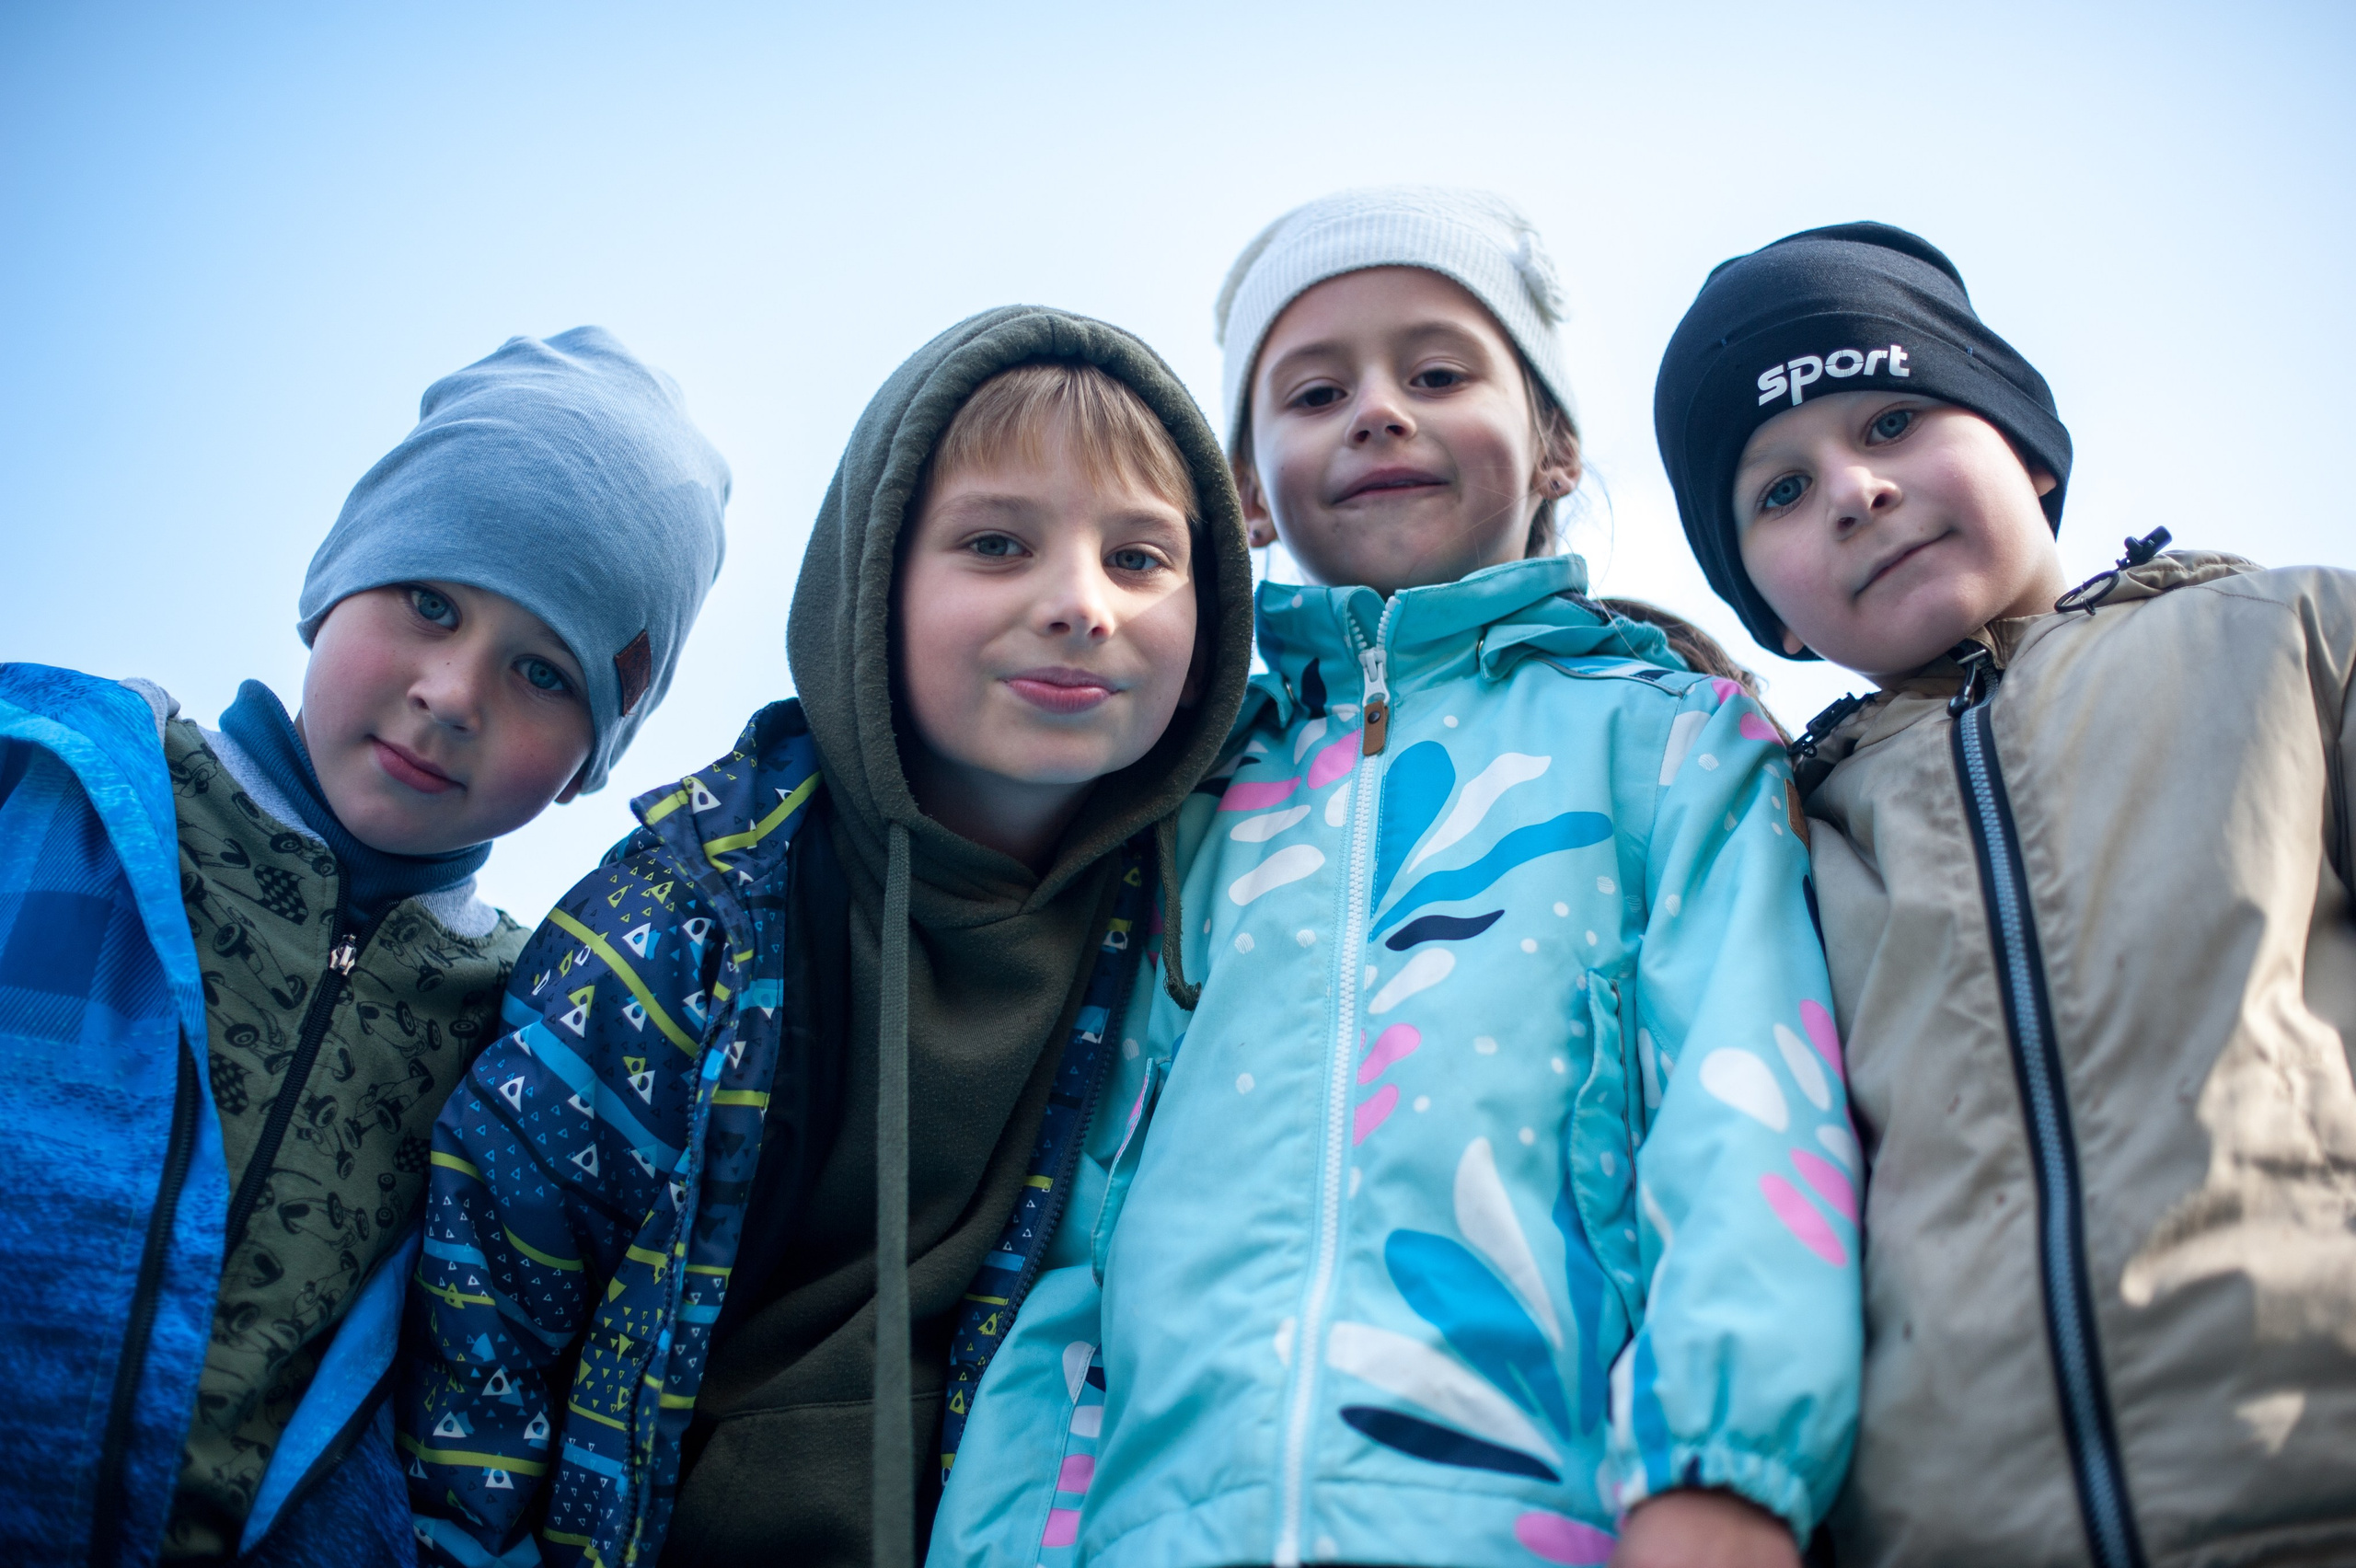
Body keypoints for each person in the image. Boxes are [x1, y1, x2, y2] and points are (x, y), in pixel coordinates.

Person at [930, 189, 1859, 1568]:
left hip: (1546, 1529)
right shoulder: (1181, 801)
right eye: (1316, 393)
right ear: (1248, 491)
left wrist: (1723, 1473)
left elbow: (1750, 1111)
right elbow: (1072, 1232)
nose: (1377, 411)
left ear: (1551, 442)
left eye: (1436, 374)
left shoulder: (1668, 744)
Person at [398, 306, 1255, 1568]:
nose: (1081, 604)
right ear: (872, 584)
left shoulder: (1223, 893)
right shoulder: (693, 913)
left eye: (1138, 560)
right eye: (997, 544)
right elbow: (491, 1297)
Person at [1654, 220, 2356, 1567]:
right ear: (1769, 612)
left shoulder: (2289, 647)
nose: (1855, 490)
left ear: (2028, 446)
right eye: (1780, 491)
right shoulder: (1781, 842)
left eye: (1894, 419)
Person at [0, 326, 730, 1568]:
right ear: (333, 581)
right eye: (430, 603)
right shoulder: (54, 796)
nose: (452, 692)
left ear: (586, 767)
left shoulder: (530, 1035)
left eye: (543, 672)